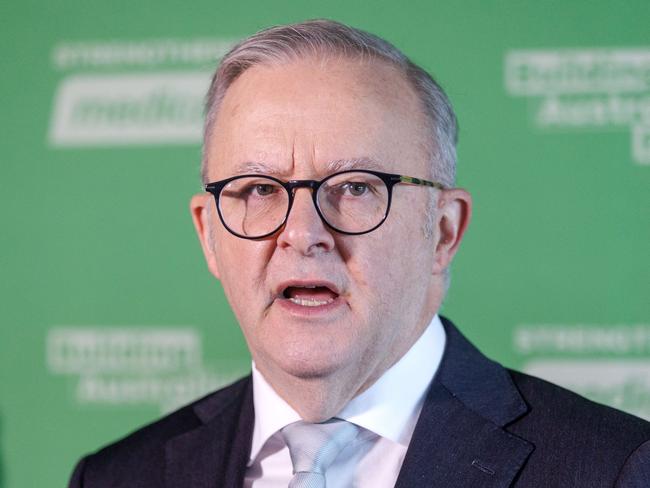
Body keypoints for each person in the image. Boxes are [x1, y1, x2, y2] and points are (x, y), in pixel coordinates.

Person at [69, 20, 650, 487]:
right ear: (209, 236)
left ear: (443, 232)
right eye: (259, 190)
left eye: (354, 187)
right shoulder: (118, 476)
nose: (301, 233)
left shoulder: (614, 469)